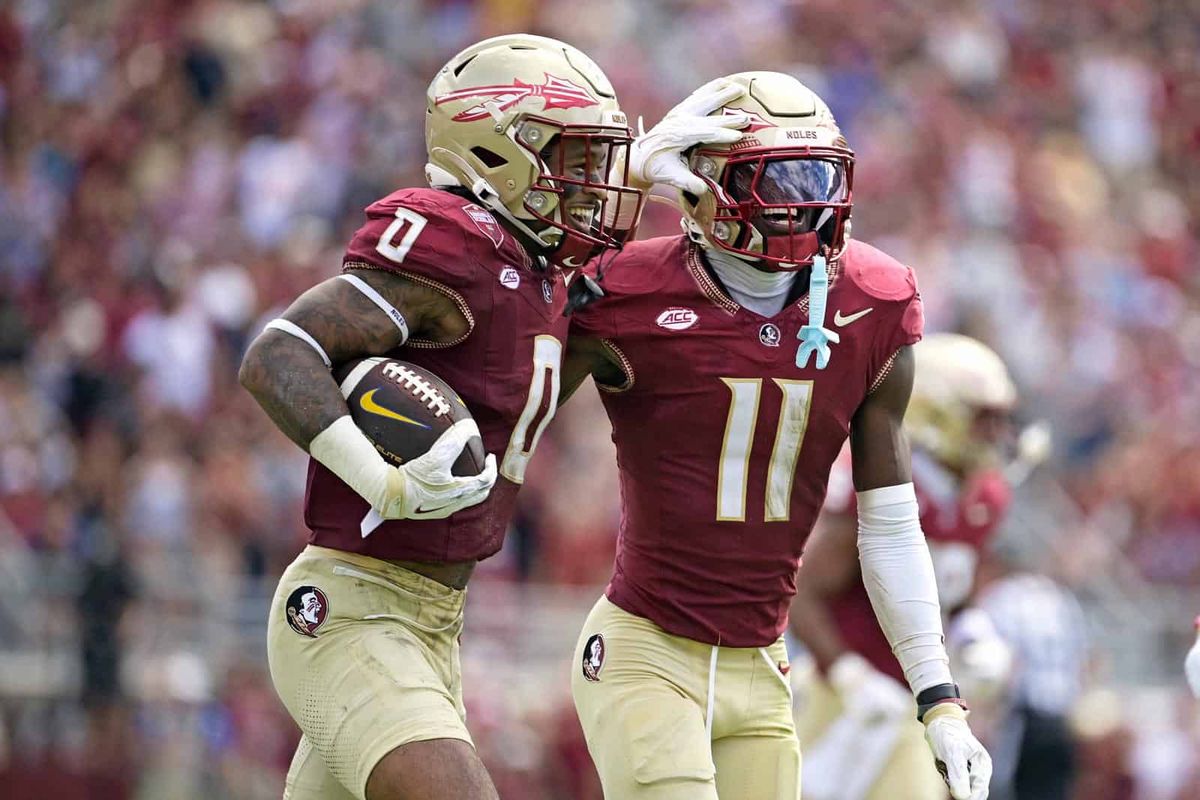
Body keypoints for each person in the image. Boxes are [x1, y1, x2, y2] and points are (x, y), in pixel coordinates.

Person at [563, 72, 992, 800]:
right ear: (702, 186)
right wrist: (619, 202)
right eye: (773, 177)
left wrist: (940, 697)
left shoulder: (873, 301)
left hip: (763, 666)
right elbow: (513, 379)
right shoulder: (627, 288)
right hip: (646, 651)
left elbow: (891, 525)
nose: (803, 202)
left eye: (815, 175)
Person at [238, 34, 644, 800]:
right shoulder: (450, 244)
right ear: (496, 148)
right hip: (351, 609)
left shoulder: (543, 274)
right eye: (573, 156)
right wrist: (379, 481)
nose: (591, 182)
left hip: (435, 623)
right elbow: (279, 354)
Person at [789, 334, 1019, 800]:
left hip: (918, 702)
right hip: (844, 699)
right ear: (935, 409)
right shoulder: (885, 478)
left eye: (999, 420)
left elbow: (956, 593)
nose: (996, 434)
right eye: (983, 419)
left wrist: (974, 634)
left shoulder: (984, 495)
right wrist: (849, 673)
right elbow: (803, 591)